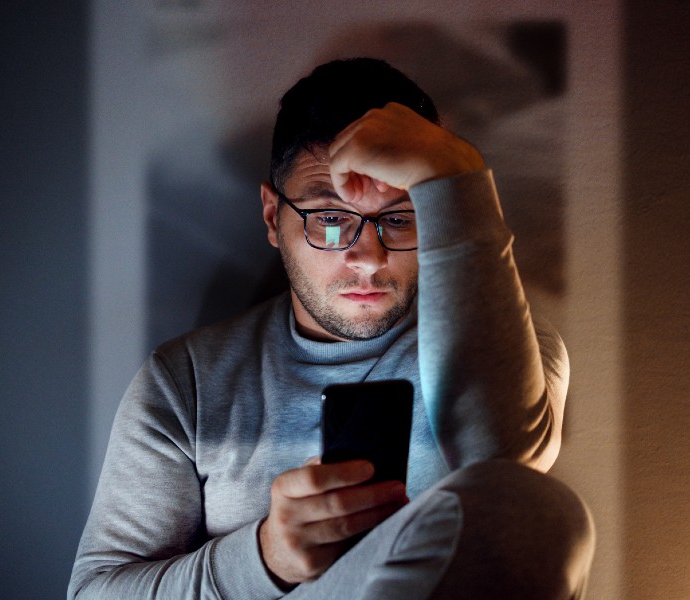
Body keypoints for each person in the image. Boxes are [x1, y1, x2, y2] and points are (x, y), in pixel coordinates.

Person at [69, 57, 594, 600]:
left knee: (540, 511)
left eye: (398, 217)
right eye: (330, 219)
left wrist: (456, 175)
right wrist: (266, 556)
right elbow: (95, 592)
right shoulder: (186, 382)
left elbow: (503, 479)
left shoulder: (517, 347)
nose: (367, 258)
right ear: (274, 219)